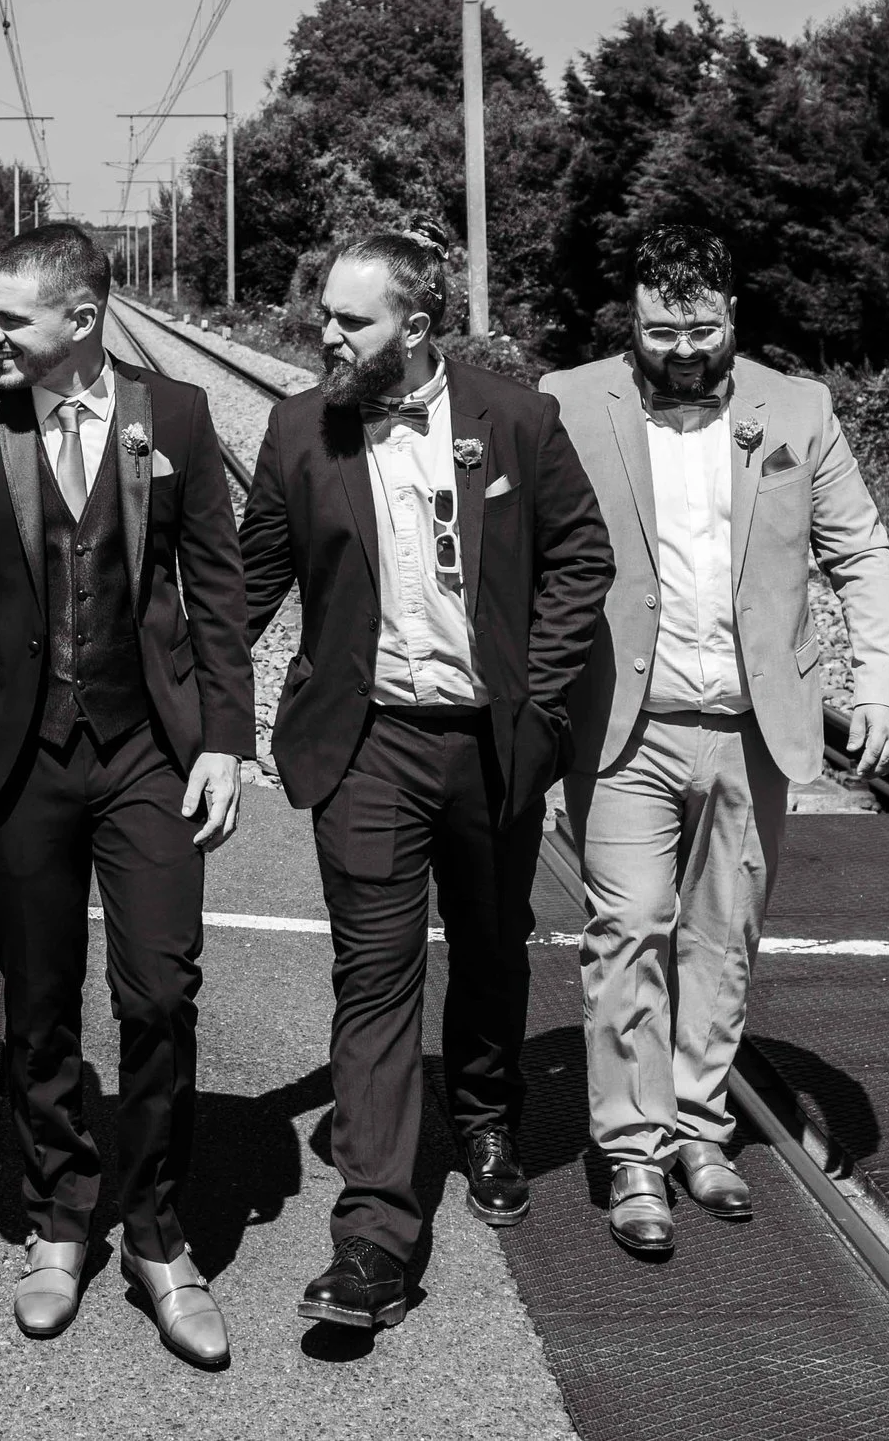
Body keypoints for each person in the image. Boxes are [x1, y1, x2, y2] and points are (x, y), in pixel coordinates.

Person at [240, 226, 612, 1330]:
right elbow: (247, 578)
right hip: (365, 743)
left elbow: (579, 556)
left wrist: (540, 704)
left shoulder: (516, 417)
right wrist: (192, 712)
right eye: (325, 315)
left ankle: (488, 1111)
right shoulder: (301, 426)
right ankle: (372, 1235)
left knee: (493, 941)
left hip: (490, 739)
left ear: (415, 322)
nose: (327, 333)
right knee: (375, 975)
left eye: (351, 320)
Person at [0, 223, 251, 1369]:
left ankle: (155, 1230)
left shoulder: (178, 418)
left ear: (82, 318)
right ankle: (57, 1217)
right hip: (20, 752)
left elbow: (217, 591)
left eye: (8, 319)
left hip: (148, 747)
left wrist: (226, 741)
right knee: (38, 997)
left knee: (159, 991)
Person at [540, 223, 889, 1254]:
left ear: (735, 318)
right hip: (624, 723)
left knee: (721, 935)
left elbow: (861, 551)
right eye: (660, 330)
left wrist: (882, 683)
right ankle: (630, 1149)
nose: (682, 350)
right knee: (628, 927)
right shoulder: (566, 402)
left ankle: (701, 1124)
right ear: (631, 320)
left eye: (701, 328)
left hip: (754, 728)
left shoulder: (798, 411)